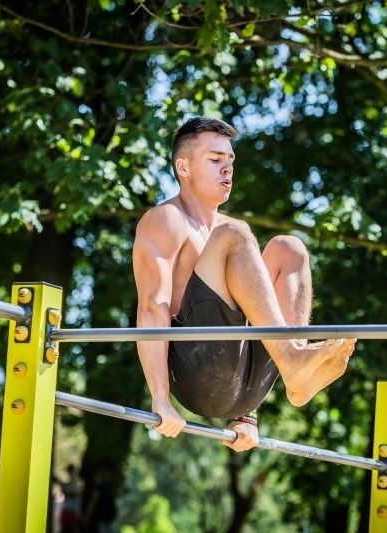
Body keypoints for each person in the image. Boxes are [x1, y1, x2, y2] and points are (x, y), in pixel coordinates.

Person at [132, 116, 356, 453]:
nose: (227, 169)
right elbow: (152, 305)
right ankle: (292, 359)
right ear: (183, 167)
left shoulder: (229, 229)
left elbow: (254, 311)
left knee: (288, 247)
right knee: (234, 234)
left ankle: (294, 373)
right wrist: (161, 399)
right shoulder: (166, 219)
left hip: (248, 383)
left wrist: (246, 415)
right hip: (196, 376)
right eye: (215, 159)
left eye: (230, 160)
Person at [60, 464, 84, 533]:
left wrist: (68, 493)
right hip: (66, 508)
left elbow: (75, 494)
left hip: (74, 510)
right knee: (64, 528)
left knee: (74, 529)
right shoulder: (66, 484)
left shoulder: (79, 482)